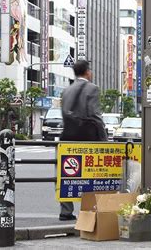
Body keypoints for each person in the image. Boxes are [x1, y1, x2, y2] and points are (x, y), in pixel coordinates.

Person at [59, 60, 107, 221]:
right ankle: (91, 209)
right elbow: (94, 114)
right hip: (88, 137)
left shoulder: (66, 90)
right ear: (87, 72)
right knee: (91, 172)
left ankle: (65, 211)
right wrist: (103, 138)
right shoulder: (92, 88)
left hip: (68, 136)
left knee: (67, 173)